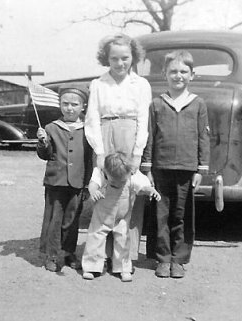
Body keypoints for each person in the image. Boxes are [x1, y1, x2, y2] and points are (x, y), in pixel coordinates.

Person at [141, 50, 210, 279]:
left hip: (187, 170)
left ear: (192, 75)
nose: (178, 76)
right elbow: (150, 136)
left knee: (181, 216)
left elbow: (203, 137)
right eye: (173, 71)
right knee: (160, 216)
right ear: (165, 74)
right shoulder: (156, 104)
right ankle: (162, 258)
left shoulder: (198, 104)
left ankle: (178, 260)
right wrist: (148, 168)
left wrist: (202, 168)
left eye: (183, 71)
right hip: (161, 169)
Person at [84, 33, 152, 262]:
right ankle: (100, 253)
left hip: (130, 135)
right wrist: (100, 152)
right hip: (105, 134)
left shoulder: (141, 84)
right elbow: (92, 117)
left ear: (133, 57)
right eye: (114, 58)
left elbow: (143, 119)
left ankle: (125, 257)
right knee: (106, 189)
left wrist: (137, 153)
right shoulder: (99, 84)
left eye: (125, 58)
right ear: (107, 58)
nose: (120, 63)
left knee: (130, 191)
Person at [36, 83, 92, 273]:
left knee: (72, 219)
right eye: (65, 103)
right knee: (54, 220)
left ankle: (68, 252)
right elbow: (45, 154)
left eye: (74, 104)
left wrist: (88, 183)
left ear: (83, 106)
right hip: (56, 181)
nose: (69, 108)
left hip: (78, 182)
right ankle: (52, 255)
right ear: (59, 104)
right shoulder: (51, 128)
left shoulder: (88, 128)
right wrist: (43, 142)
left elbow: (90, 157)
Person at [81, 152, 161, 282]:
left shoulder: (132, 174)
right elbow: (93, 183)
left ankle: (123, 267)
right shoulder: (100, 173)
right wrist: (93, 191)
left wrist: (150, 190)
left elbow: (141, 186)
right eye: (114, 183)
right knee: (95, 237)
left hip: (122, 217)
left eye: (122, 182)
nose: (118, 185)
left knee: (123, 240)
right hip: (102, 216)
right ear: (107, 172)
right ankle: (91, 266)